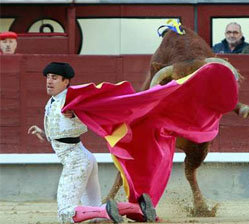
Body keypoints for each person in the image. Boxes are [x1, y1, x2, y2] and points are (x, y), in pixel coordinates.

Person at [28, 62, 156, 224]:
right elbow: (61, 130)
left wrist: (76, 114)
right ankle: (139, 208)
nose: (49, 81)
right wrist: (43, 132)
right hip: (84, 158)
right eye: (47, 77)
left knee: (65, 214)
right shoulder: (54, 100)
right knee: (95, 211)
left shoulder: (72, 100)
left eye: (54, 78)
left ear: (66, 81)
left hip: (76, 162)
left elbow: (89, 112)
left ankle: (109, 212)